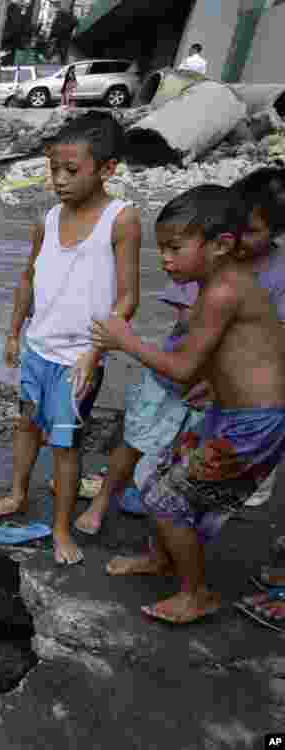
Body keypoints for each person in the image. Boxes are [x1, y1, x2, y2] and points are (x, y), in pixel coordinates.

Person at [93, 184, 285, 625]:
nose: (165, 259)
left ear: (220, 246)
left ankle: (195, 592)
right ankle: (162, 559)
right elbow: (248, 351)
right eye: (162, 248)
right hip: (231, 411)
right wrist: (217, 382)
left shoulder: (222, 293)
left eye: (175, 248)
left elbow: (181, 368)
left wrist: (126, 341)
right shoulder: (218, 285)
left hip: (253, 423)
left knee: (170, 501)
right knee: (161, 476)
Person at [0, 112, 142, 566]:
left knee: (66, 446)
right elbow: (28, 278)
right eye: (54, 170)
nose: (60, 180)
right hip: (38, 349)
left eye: (72, 171)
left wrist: (95, 352)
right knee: (26, 424)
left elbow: (128, 298)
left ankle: (63, 528)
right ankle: (17, 495)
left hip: (78, 360)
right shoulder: (47, 220)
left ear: (107, 169)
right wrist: (13, 331)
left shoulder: (120, 220)